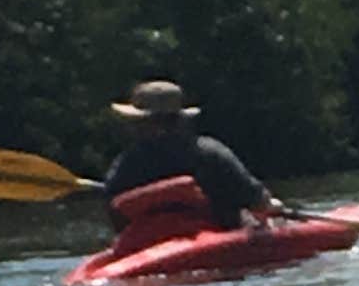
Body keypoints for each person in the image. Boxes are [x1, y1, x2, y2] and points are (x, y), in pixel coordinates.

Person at [99, 77, 282, 231]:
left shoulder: (127, 163)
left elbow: (116, 219)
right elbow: (256, 201)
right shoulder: (210, 153)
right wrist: (270, 205)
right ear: (180, 120)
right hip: (214, 240)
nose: (132, 128)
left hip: (149, 245)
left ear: (147, 123)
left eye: (136, 123)